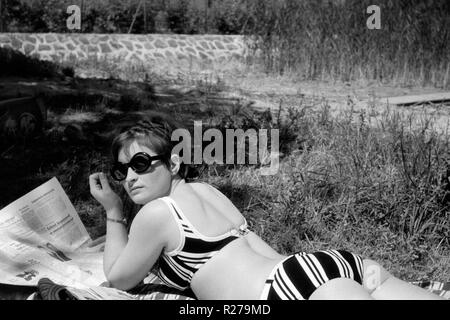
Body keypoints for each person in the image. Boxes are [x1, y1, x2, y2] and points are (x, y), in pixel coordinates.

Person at [89, 114, 443, 300]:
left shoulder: (157, 214)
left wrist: (113, 211)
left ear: (174, 163)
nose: (130, 177)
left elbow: (119, 278)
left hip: (283, 289)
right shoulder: (207, 192)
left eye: (140, 163)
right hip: (321, 265)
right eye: (121, 171)